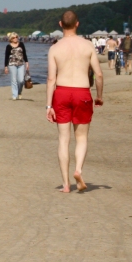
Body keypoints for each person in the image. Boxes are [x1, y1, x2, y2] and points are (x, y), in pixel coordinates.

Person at [46, 10, 104, 193]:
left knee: (64, 140)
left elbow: (51, 79)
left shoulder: (54, 48)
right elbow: (99, 74)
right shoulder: (87, 46)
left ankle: (65, 184)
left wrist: (49, 105)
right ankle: (78, 170)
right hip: (82, 92)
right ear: (77, 24)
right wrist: (99, 96)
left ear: (60, 24)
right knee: (81, 137)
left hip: (61, 93)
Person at [3, 33, 29, 101]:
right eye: (14, 37)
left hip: (21, 64)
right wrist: (5, 67)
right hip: (12, 64)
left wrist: (27, 62)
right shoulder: (8, 46)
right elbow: (6, 57)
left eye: (16, 37)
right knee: (13, 80)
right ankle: (14, 95)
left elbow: (24, 54)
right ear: (11, 39)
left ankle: (19, 91)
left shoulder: (21, 44)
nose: (15, 38)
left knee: (21, 80)